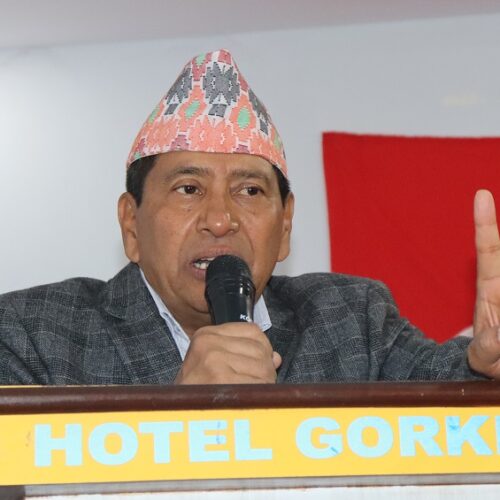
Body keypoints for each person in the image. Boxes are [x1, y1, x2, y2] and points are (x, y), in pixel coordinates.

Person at [0, 49, 499, 385]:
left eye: (250, 190)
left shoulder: (351, 320)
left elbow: (446, 392)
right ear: (131, 225)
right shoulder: (32, 335)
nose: (220, 220)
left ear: (285, 227)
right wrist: (172, 416)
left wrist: (483, 365)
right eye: (189, 189)